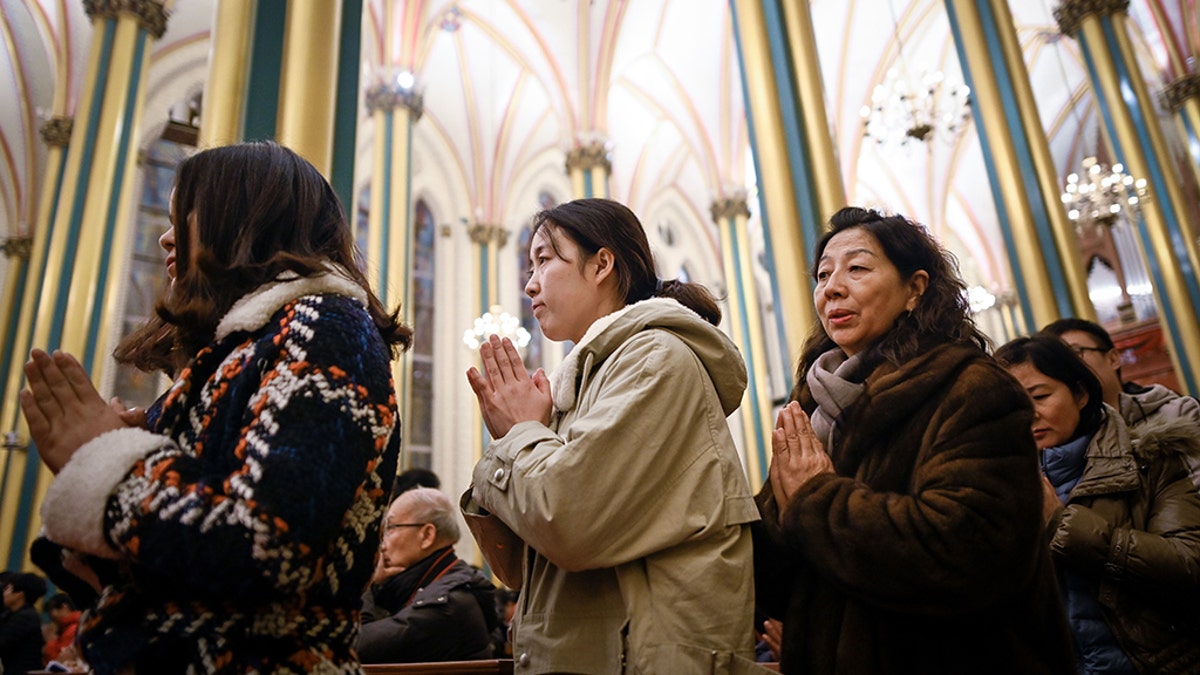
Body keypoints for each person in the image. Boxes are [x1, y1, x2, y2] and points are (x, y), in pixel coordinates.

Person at [19, 141, 410, 673]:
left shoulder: (323, 328)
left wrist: (110, 460)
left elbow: (266, 544)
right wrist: (99, 460)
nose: (164, 235)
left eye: (185, 213)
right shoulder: (240, 347)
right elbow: (161, 575)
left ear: (245, 218)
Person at [753, 207, 1075, 673]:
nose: (832, 288)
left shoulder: (972, 389)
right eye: (823, 275)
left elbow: (967, 554)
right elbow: (790, 585)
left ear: (915, 289)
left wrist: (815, 499)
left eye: (857, 268)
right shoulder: (813, 409)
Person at [462, 198, 763, 673]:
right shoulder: (579, 385)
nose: (530, 283)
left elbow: (567, 520)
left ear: (602, 264)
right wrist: (524, 434)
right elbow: (520, 565)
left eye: (544, 259)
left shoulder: (655, 360)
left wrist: (519, 434)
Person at [996, 335, 1200, 672]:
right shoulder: (995, 483)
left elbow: (1188, 564)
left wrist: (1064, 524)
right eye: (1011, 403)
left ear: (1080, 394)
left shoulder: (1150, 460)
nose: (1029, 414)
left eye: (1040, 396)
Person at [1042, 318, 1200, 487]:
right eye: (1055, 364)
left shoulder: (1179, 413)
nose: (1069, 368)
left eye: (1075, 353)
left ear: (1113, 359)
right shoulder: (1060, 449)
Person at [357, 487, 496, 663]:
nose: (382, 544)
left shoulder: (448, 604)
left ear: (427, 535)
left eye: (390, 528)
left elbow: (356, 646)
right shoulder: (428, 585)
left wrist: (365, 583)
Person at [0, 571, 47, 674]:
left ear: (19, 595)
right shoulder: (16, 614)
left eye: (7, 589)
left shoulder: (25, 618)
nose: (3, 593)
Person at [41, 593, 81, 666]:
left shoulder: (72, 629)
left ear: (64, 607)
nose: (51, 616)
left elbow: (61, 660)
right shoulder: (66, 628)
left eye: (51, 611)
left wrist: (50, 644)